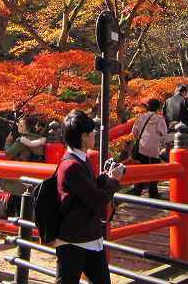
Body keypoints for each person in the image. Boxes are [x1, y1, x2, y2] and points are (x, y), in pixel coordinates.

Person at [55, 109, 124, 284]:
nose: (95, 135)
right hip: (74, 239)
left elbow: (87, 189)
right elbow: (96, 200)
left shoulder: (78, 159)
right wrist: (113, 180)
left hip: (87, 235)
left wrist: (106, 176)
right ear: (84, 136)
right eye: (92, 132)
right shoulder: (71, 165)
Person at [2, 115, 45, 215]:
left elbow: (8, 154)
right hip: (33, 177)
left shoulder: (22, 141)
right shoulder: (39, 140)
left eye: (21, 125)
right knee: (26, 208)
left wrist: (7, 143)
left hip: (18, 179)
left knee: (13, 207)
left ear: (27, 127)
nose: (18, 127)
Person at [129, 99, 167, 198]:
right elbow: (164, 134)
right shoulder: (160, 119)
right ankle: (153, 191)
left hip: (143, 147)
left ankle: (138, 189)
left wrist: (140, 139)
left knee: (142, 168)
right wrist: (162, 145)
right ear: (158, 108)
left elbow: (134, 131)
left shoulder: (141, 117)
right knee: (156, 169)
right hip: (155, 148)